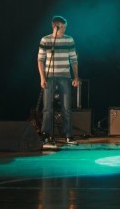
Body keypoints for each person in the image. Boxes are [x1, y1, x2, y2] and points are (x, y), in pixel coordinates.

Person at [37, 15, 80, 146]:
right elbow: (40, 60)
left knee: (66, 107)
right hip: (49, 77)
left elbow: (74, 60)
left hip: (65, 76)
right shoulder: (45, 40)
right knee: (47, 108)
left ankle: (68, 135)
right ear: (54, 26)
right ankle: (46, 135)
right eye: (62, 27)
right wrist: (42, 77)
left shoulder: (69, 40)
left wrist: (76, 77)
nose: (64, 30)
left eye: (65, 27)